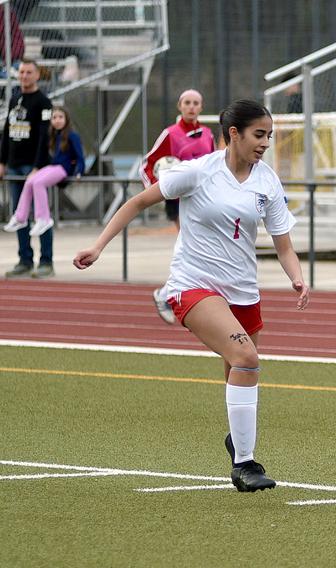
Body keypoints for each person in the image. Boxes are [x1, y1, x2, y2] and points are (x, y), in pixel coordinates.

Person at [74, 99, 309, 492]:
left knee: (239, 369)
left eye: (269, 135)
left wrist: (297, 277)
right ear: (234, 133)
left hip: (243, 290)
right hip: (193, 284)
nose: (266, 142)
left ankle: (239, 442)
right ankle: (245, 464)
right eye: (259, 134)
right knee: (246, 358)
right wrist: (98, 247)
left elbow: (283, 244)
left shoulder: (267, 180)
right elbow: (137, 202)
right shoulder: (199, 171)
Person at [141, 89, 217, 323]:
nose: (191, 107)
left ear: (201, 107)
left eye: (196, 103)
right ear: (179, 106)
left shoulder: (207, 134)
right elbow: (147, 164)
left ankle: (171, 294)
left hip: (204, 202)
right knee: (192, 247)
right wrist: (157, 189)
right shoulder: (170, 134)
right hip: (180, 201)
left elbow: (214, 166)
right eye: (187, 103)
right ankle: (168, 294)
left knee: (196, 250)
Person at [1, 59, 54, 278]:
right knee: (19, 216)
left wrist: (38, 167)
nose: (24, 76)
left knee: (41, 216)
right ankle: (24, 259)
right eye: (21, 72)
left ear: (37, 75)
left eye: (28, 72)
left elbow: (45, 136)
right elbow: (7, 131)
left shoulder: (43, 102)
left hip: (33, 169)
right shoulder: (14, 98)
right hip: (14, 167)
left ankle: (46, 261)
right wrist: (2, 162)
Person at [3, 106, 85, 237]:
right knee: (30, 180)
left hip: (63, 169)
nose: (57, 120)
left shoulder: (72, 136)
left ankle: (43, 218)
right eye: (54, 117)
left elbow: (80, 157)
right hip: (53, 167)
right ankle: (20, 217)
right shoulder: (54, 135)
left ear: (66, 119)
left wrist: (79, 172)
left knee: (39, 183)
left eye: (60, 117)